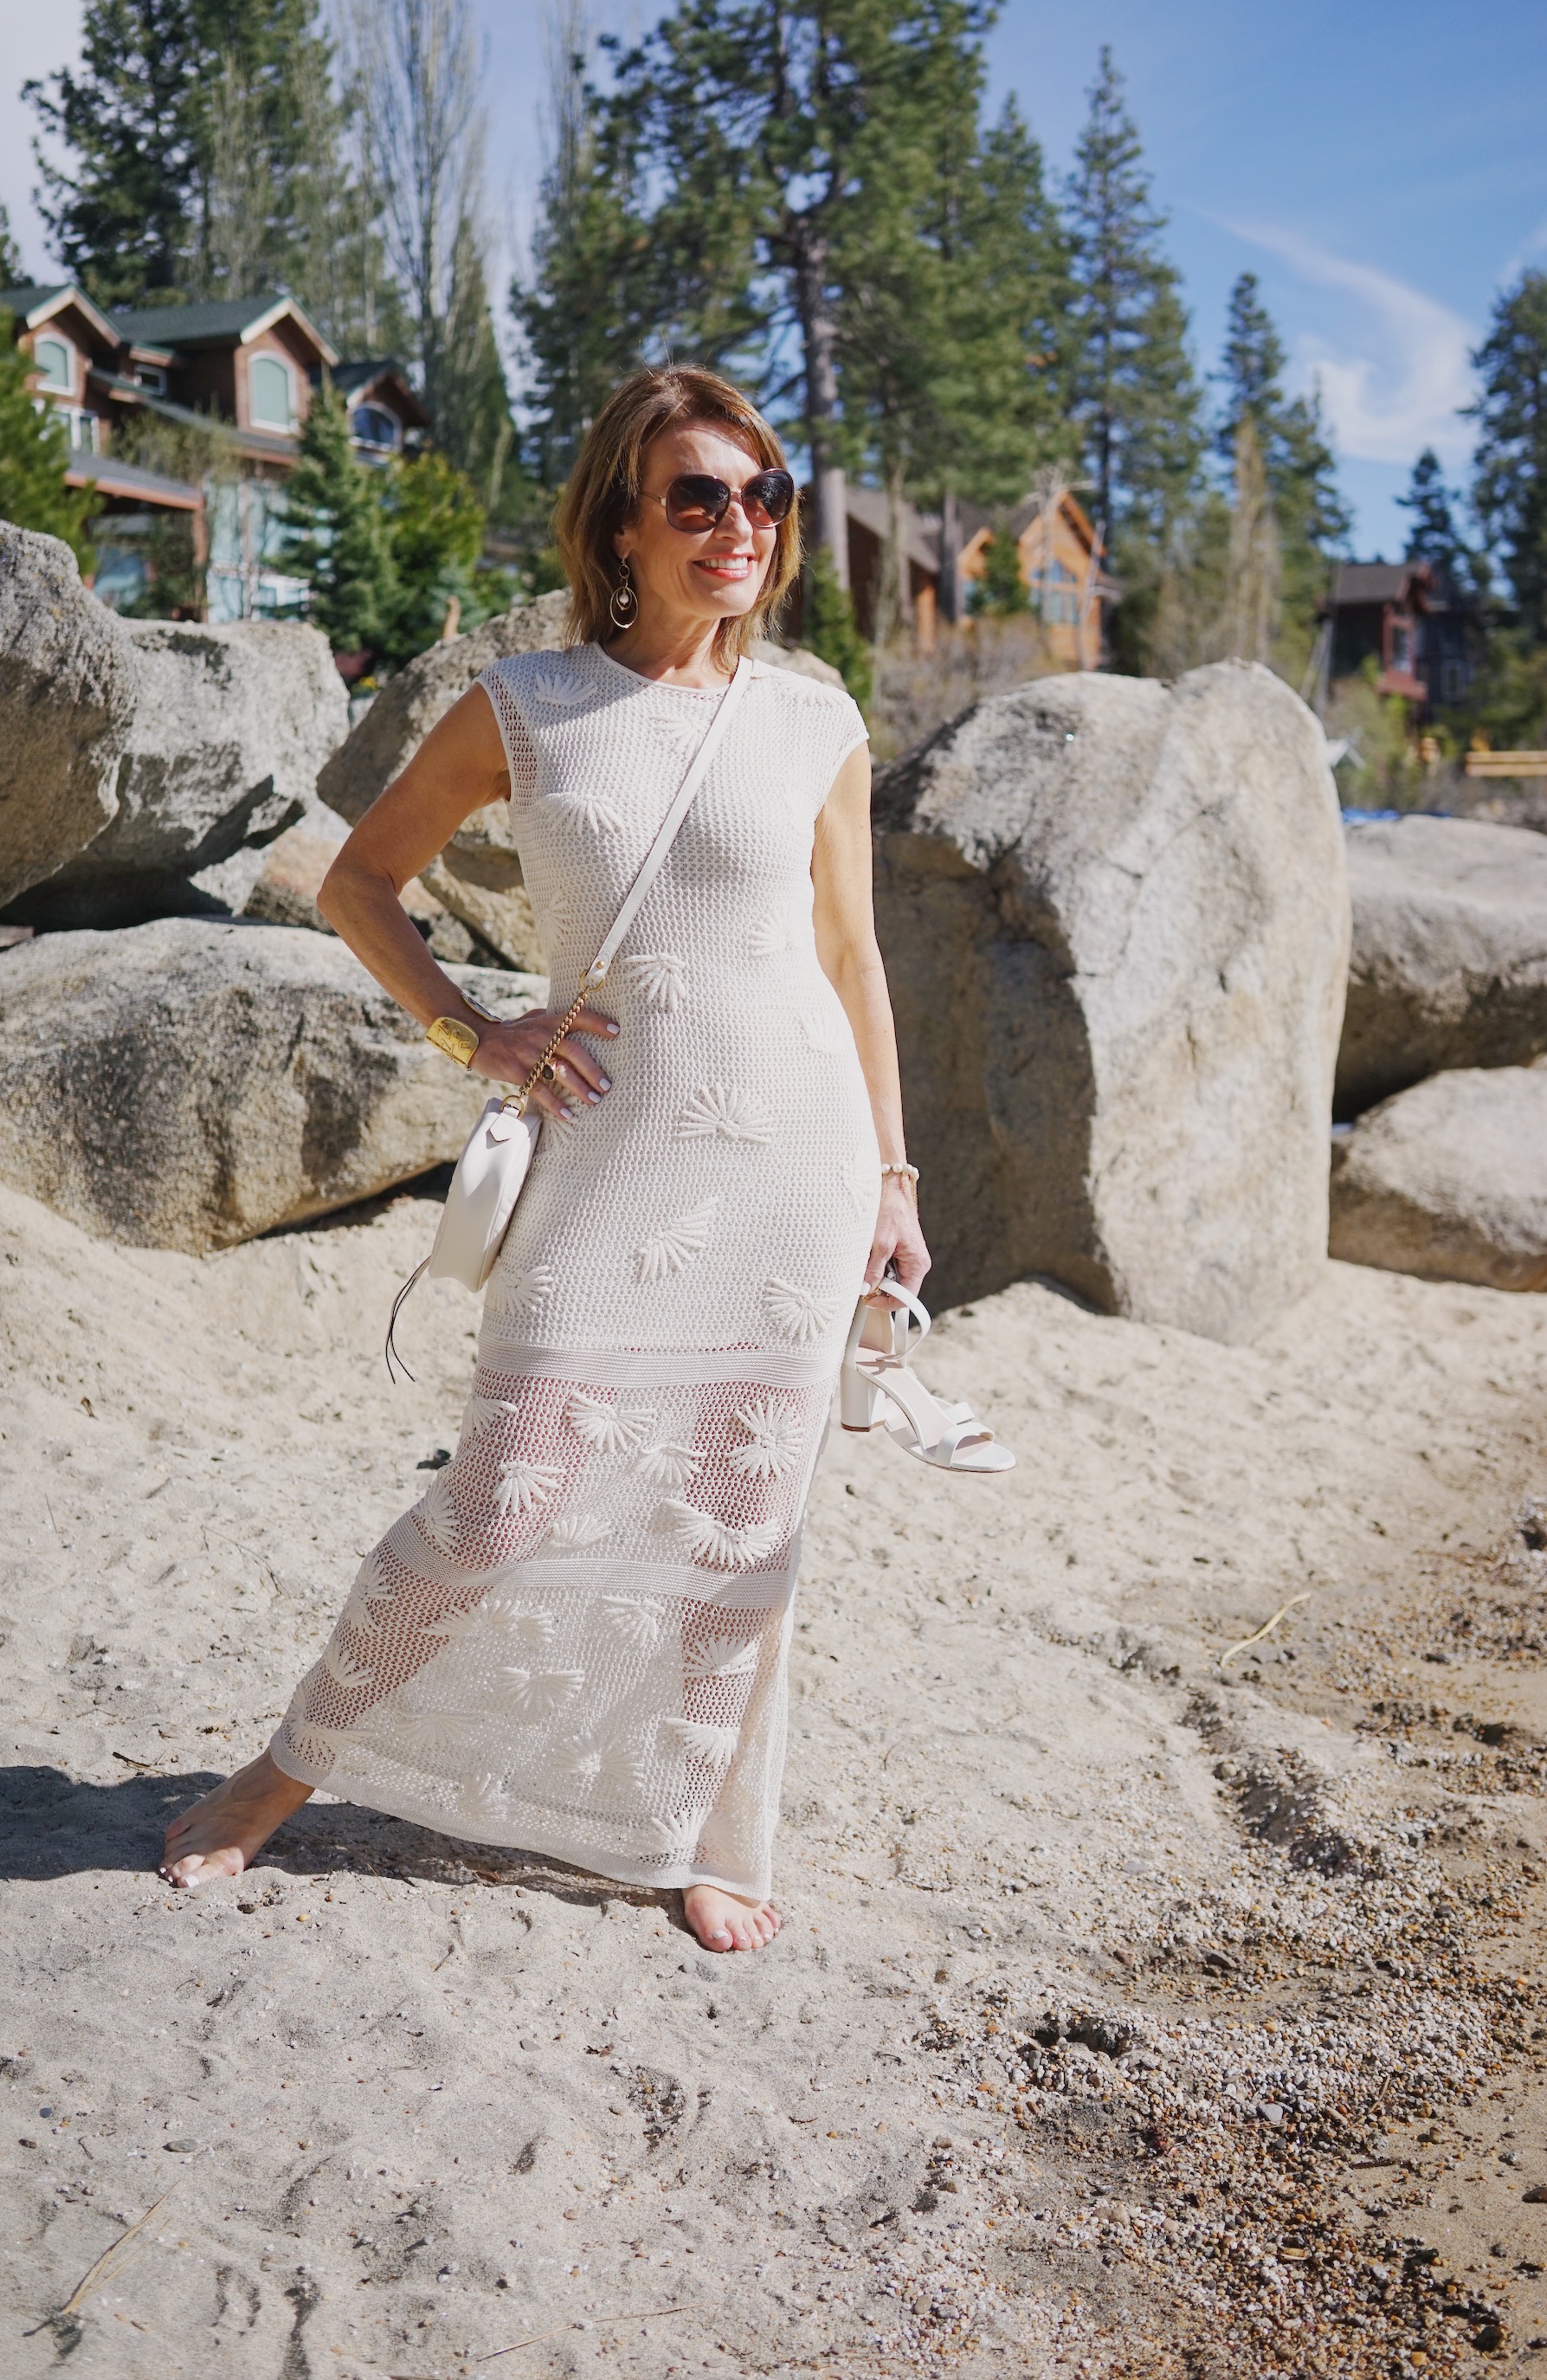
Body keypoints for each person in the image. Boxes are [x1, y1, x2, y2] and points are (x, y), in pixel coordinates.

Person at [161, 364, 960, 1951]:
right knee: (505, 1488)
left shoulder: (814, 718)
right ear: (623, 520)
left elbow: (854, 962)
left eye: (765, 497)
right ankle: (284, 1772)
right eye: (700, 497)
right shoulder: (527, 706)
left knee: (740, 1510)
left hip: (794, 1156)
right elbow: (358, 885)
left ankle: (705, 1828)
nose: (742, 525)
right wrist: (480, 1034)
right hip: (611, 1154)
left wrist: (894, 1180)